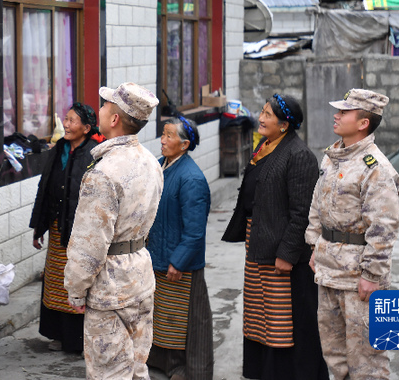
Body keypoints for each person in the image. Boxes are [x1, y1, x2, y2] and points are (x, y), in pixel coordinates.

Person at [222, 94, 329, 380]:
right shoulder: (266, 146)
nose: (261, 118)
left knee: (283, 319)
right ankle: (265, 371)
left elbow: (302, 212)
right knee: (261, 315)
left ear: (284, 125)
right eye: (263, 112)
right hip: (259, 242)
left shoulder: (299, 155)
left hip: (282, 250)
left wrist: (286, 254)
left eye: (268, 114)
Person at [64, 82, 164, 380]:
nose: (101, 110)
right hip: (140, 275)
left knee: (109, 373)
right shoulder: (151, 162)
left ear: (115, 118)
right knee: (137, 369)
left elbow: (89, 244)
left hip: (110, 285)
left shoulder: (103, 173)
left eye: (105, 106)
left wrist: (76, 290)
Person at [305, 89, 399, 380]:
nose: (336, 115)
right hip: (329, 269)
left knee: (367, 360)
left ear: (363, 123)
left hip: (358, 277)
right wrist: (315, 246)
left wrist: (372, 275)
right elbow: (317, 205)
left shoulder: (375, 168)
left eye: (344, 112)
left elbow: (383, 228)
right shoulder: (333, 157)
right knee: (335, 355)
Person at [29, 102, 104, 353]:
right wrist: (39, 226)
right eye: (67, 119)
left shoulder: (95, 153)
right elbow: (44, 187)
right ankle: (59, 335)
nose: (67, 125)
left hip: (82, 233)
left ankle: (79, 340)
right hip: (57, 227)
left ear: (87, 128)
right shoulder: (59, 148)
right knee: (56, 283)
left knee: (79, 282)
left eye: (72, 121)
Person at [146, 117, 214, 380]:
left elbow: (195, 230)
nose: (163, 140)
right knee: (162, 317)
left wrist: (179, 261)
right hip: (158, 256)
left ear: (184, 145)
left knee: (181, 321)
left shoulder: (191, 178)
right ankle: (162, 364)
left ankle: (183, 369)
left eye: (169, 136)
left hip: (178, 263)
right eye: (163, 134)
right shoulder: (160, 166)